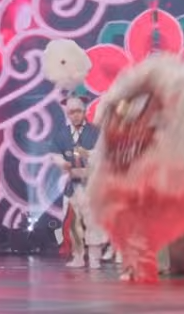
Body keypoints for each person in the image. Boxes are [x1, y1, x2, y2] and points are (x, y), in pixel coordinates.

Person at [51, 96, 108, 268]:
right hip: (72, 185)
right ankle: (78, 256)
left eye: (78, 111)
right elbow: (54, 154)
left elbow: (103, 154)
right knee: (73, 223)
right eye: (71, 112)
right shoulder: (62, 134)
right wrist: (63, 163)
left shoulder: (95, 132)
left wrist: (88, 155)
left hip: (91, 185)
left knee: (93, 221)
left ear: (84, 112)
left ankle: (95, 257)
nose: (75, 115)